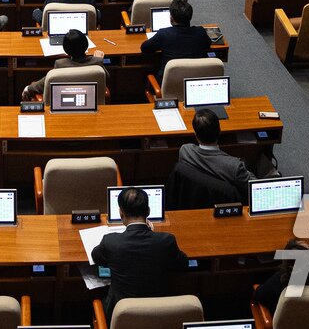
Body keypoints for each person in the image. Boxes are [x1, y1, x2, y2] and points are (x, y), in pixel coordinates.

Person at [90, 187, 188, 317]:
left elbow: (96, 256)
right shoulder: (166, 241)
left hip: (121, 315)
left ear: (121, 213)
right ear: (148, 211)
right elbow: (183, 263)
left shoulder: (111, 241)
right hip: (160, 314)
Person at [165, 108, 255, 209]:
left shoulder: (185, 151)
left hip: (194, 202)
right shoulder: (235, 167)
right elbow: (254, 188)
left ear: (196, 135)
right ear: (219, 131)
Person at [21, 28, 105, 99]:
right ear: (86, 44)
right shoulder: (97, 62)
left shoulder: (61, 64)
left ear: (66, 50)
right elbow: (106, 78)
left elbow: (46, 81)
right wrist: (98, 59)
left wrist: (28, 88)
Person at [140, 0, 211, 76]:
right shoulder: (201, 32)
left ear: (171, 18)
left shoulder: (164, 34)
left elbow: (144, 48)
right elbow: (208, 44)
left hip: (168, 83)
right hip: (194, 78)